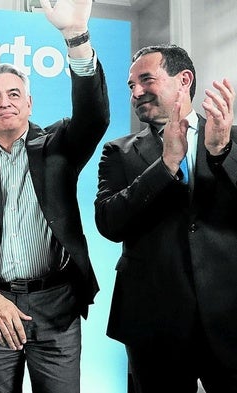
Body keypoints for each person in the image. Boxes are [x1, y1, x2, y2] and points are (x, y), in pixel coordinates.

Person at [0, 1, 109, 392]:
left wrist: (76, 37)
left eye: (14, 93)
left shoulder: (60, 145)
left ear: (29, 103)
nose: (5, 102)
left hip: (56, 305)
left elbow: (95, 115)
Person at [94, 44, 237, 392]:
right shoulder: (118, 151)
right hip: (151, 322)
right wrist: (167, 165)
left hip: (229, 315)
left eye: (146, 80)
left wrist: (221, 155)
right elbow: (110, 224)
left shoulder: (232, 139)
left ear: (183, 79)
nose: (136, 92)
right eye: (131, 86)